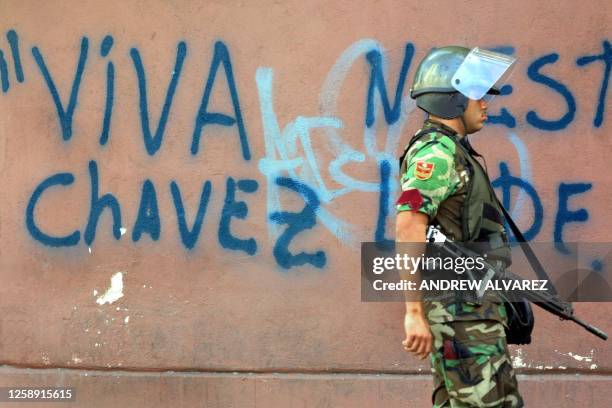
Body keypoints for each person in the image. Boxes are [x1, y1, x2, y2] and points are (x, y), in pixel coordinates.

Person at [395, 46, 524, 407]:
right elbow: (408, 226)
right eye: (476, 96)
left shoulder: (453, 150)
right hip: (460, 313)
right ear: (452, 99)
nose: (485, 104)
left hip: (470, 309)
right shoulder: (436, 154)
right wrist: (413, 313)